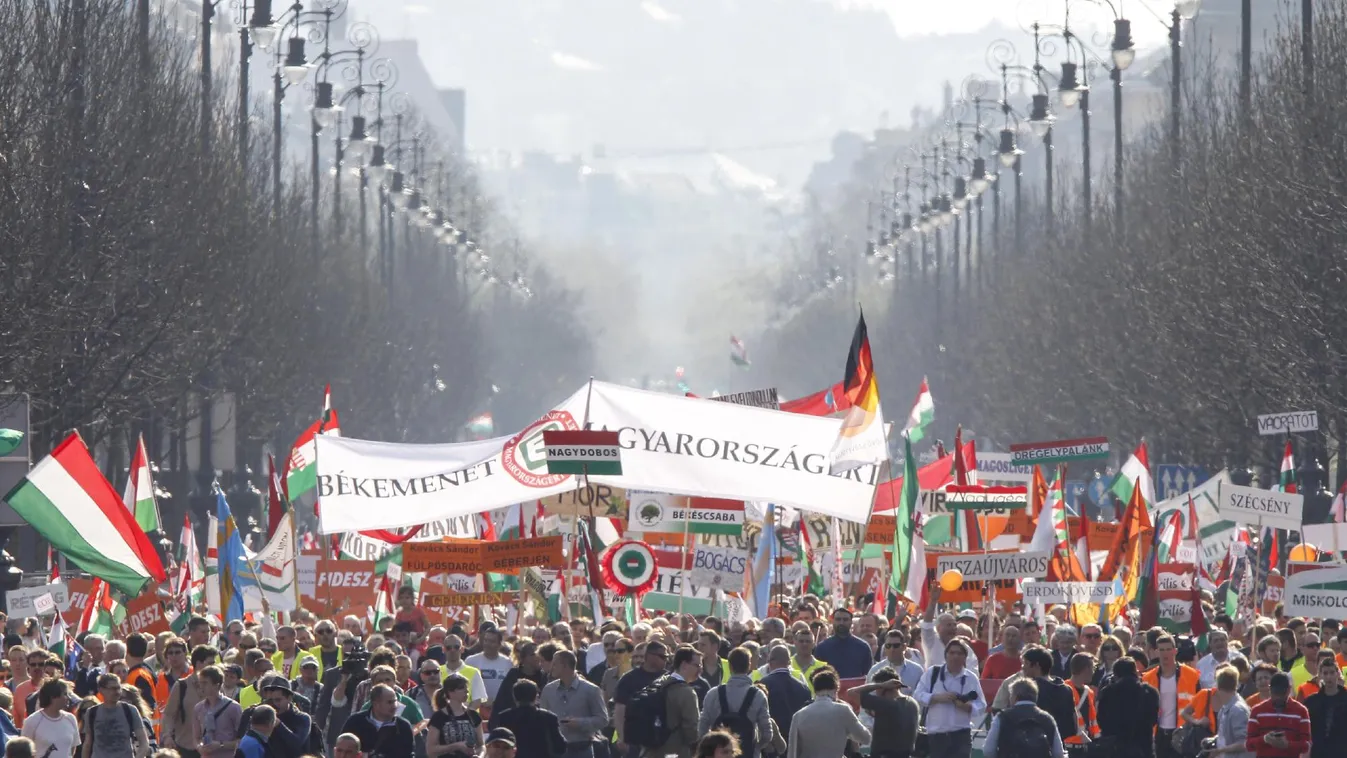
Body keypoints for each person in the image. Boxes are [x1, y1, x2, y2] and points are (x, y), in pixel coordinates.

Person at [913, 639, 985, 758]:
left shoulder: (970, 678)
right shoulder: (933, 673)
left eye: (959, 653)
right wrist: (936, 697)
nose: (955, 656)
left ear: (965, 657)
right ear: (945, 655)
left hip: (961, 735)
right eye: (952, 653)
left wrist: (967, 707)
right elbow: (918, 695)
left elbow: (981, 705)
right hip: (936, 735)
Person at [696, 648, 768, 757]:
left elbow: (702, 727)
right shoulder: (758, 695)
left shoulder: (713, 694)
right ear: (749, 665)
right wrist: (755, 748)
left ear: (730, 666)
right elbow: (767, 733)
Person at [784, 669, 869, 758]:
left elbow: (792, 752)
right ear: (836, 689)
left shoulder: (798, 716)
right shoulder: (843, 710)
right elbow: (865, 738)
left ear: (815, 691)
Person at [1141, 633, 1200, 758]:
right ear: (1157, 652)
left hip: (1182, 733)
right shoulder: (1147, 678)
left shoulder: (1192, 676)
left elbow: (1199, 705)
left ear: (1175, 651)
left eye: (1168, 649)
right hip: (1158, 734)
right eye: (1161, 650)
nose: (1165, 653)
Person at [538, 650, 607, 758]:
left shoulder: (591, 690)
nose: (552, 667)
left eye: (555, 663)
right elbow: (541, 719)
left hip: (582, 749)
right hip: (556, 750)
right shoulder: (548, 690)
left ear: (565, 665)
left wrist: (580, 723)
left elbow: (603, 719)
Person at [612, 641, 668, 758]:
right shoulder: (628, 679)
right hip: (635, 742)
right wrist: (622, 738)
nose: (666, 660)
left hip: (662, 741)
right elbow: (620, 710)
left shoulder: (668, 679)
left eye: (667, 657)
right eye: (662, 656)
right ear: (649, 656)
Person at [983, 678, 1064, 758]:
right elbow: (1058, 753)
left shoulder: (1002, 717)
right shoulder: (1048, 718)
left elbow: (988, 751)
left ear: (1015, 697)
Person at [849, 667, 918, 758]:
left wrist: (880, 685)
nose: (876, 693)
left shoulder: (886, 704)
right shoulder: (912, 703)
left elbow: (851, 692)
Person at [163, 645, 218, 758]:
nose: (214, 667)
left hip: (212, 749)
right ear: (199, 664)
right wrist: (167, 736)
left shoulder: (217, 686)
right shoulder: (182, 686)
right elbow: (169, 714)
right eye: (210, 664)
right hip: (186, 748)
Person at [487, 680, 565, 758]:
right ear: (535, 697)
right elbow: (561, 747)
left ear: (514, 697)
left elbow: (500, 744)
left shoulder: (504, 717)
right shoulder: (549, 718)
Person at [80, 674, 150, 758]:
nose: (117, 692)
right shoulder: (92, 713)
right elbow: (87, 744)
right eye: (113, 688)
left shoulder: (129, 710)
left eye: (118, 688)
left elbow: (144, 742)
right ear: (101, 690)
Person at [340, 684, 415, 758]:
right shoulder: (355, 722)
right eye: (389, 702)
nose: (394, 706)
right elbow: (342, 749)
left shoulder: (403, 727)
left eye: (395, 701)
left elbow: (408, 754)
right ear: (376, 704)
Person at [1245, 673, 1309, 758]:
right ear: (1270, 689)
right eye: (1275, 693)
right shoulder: (1257, 711)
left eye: (1282, 694)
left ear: (1289, 690)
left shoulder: (1301, 711)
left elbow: (1306, 745)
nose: (1278, 697)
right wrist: (1265, 739)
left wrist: (1287, 745)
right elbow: (1249, 744)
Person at [758, 646, 810, 745]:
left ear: (770, 662)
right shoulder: (804, 689)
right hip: (795, 742)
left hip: (772, 744)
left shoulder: (763, 684)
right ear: (789, 662)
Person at [425, 675, 483, 758]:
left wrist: (479, 756)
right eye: (461, 688)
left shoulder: (474, 715)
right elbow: (430, 750)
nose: (466, 691)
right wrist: (456, 746)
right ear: (450, 692)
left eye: (466, 688)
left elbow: (482, 745)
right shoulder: (438, 717)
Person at [190, 666, 240, 758]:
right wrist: (200, 747)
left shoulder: (233, 707)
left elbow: (241, 740)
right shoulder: (198, 708)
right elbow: (196, 738)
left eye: (205, 683)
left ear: (216, 685)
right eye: (200, 683)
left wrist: (220, 745)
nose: (201, 686)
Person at [20, 680, 79, 758]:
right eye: (65, 694)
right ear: (53, 697)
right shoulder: (32, 721)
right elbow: (24, 753)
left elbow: (72, 750)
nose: (68, 698)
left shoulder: (71, 719)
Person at [1302, 658, 1347, 758]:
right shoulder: (1311, 701)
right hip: (1318, 752)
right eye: (1325, 673)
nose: (1329, 677)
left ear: (1337, 673)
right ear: (1320, 675)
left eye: (1332, 673)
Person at [812, 609, 873, 680]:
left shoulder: (863, 647)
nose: (841, 623)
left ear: (851, 622)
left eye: (845, 619)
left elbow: (868, 675)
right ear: (833, 622)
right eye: (838, 619)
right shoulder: (822, 648)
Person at [464, 629, 513, 709]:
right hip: (476, 709)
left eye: (492, 641)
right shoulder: (471, 661)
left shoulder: (508, 663)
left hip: (499, 709)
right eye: (486, 640)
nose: (487, 644)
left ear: (499, 644)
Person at [436, 637, 485, 712]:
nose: (452, 650)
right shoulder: (437, 671)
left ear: (462, 649)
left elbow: (477, 701)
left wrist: (463, 715)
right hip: (443, 719)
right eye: (448, 647)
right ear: (443, 650)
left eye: (456, 647)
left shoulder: (474, 672)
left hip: (468, 719)